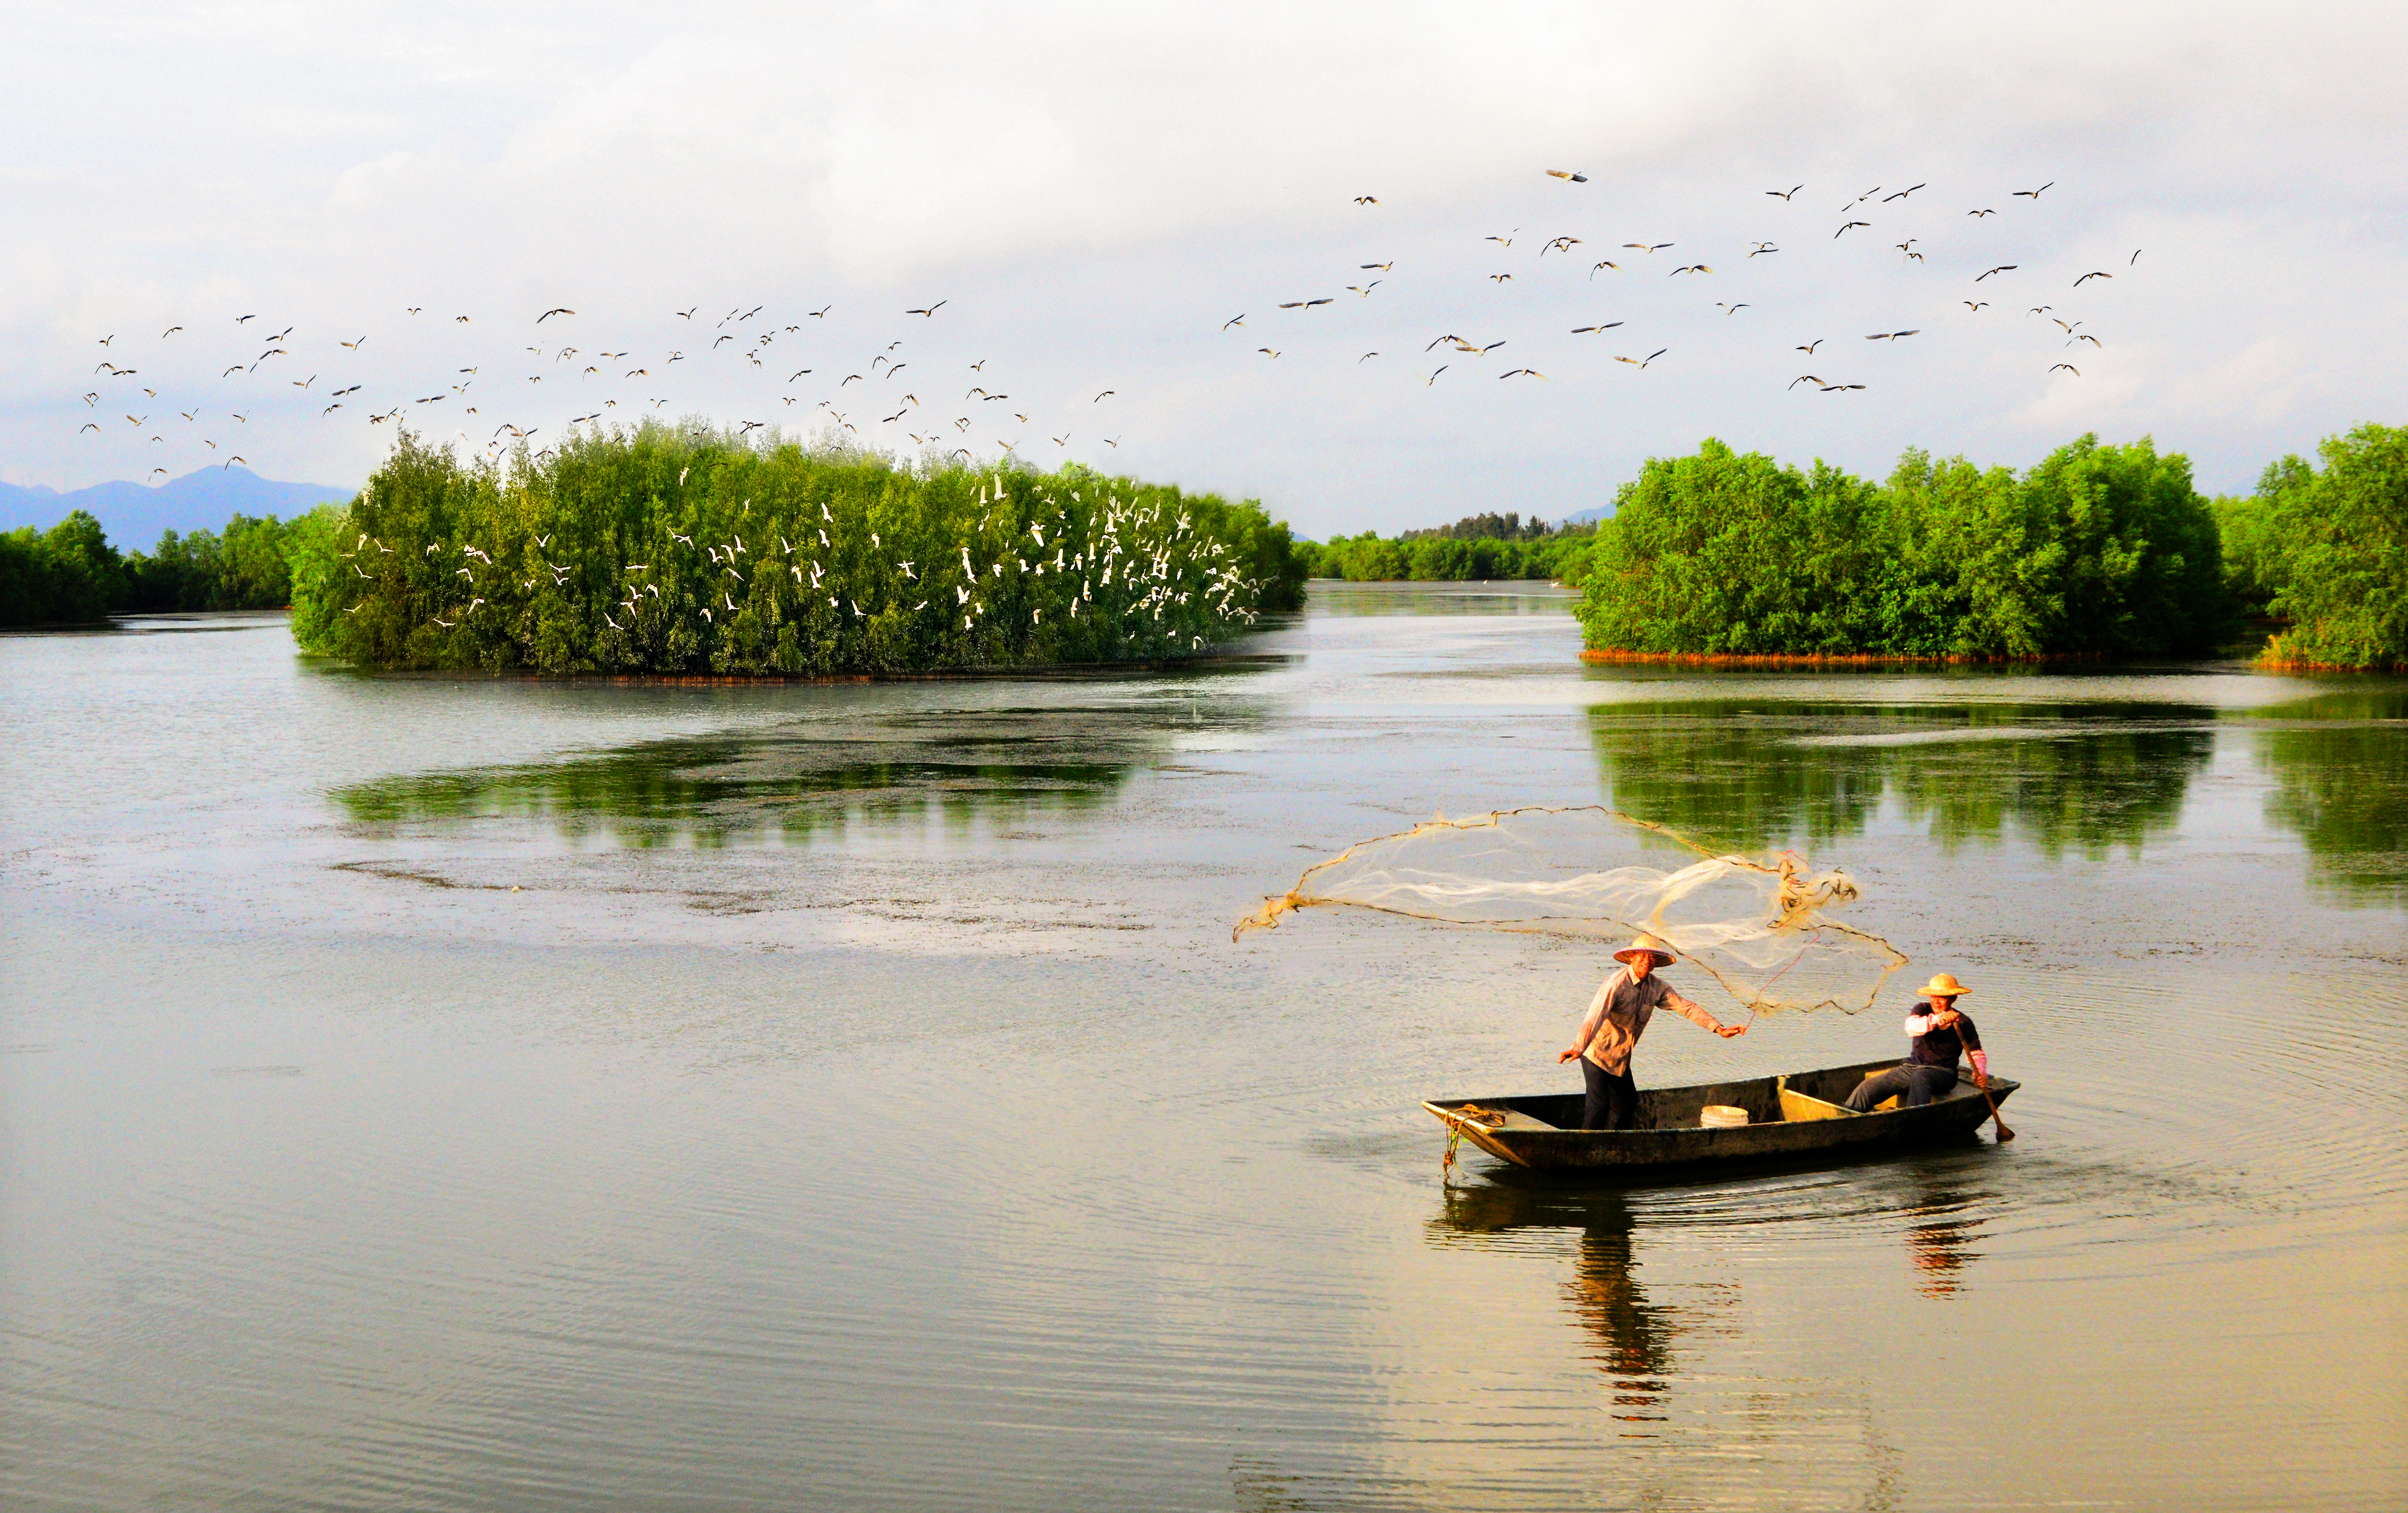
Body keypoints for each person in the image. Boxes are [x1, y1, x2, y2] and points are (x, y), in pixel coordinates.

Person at [1557, 933, 1746, 1131]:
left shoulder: (1657, 987)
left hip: (1619, 1058)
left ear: (1656, 962)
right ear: (1632, 957)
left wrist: (1719, 1029)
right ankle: (1586, 1149)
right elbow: (1595, 1016)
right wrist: (1578, 1048)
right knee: (1599, 1105)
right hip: (1595, 1053)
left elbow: (1686, 1007)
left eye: (1651, 957)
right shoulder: (1616, 985)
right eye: (1642, 956)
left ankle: (1613, 1145)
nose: (1646, 961)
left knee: (1627, 1104)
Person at [1847, 972, 1990, 1111]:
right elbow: (1911, 1028)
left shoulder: (1964, 1022)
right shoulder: (1922, 1009)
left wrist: (1980, 1074)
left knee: (1921, 1078)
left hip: (1943, 1073)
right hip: (1912, 1067)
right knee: (1867, 1087)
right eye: (1934, 997)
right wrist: (1937, 1019)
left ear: (1953, 998)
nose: (1937, 1002)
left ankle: (1912, 1120)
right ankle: (1845, 1117)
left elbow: (1976, 1054)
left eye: (1943, 997)